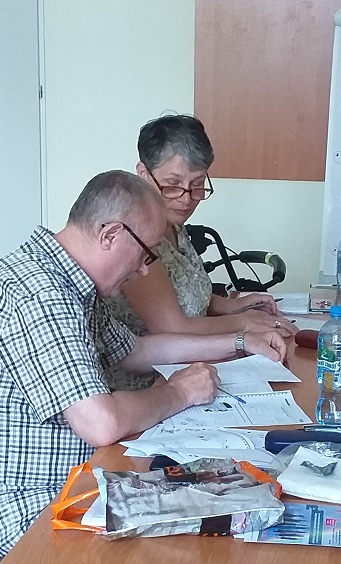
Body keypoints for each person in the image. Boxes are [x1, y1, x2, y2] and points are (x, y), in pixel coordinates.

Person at [0, 170, 289, 556]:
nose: (145, 270)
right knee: (200, 546)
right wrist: (180, 393)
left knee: (223, 493)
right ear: (111, 235)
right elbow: (101, 424)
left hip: (67, 480)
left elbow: (137, 351)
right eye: (146, 254)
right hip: (14, 506)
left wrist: (237, 342)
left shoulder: (70, 281)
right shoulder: (39, 295)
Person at [104, 114, 296, 390]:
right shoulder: (136, 236)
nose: (186, 198)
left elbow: (185, 292)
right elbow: (173, 326)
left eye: (197, 185)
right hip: (149, 383)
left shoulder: (173, 223)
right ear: (143, 174)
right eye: (173, 185)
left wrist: (232, 305)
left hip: (191, 364)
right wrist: (244, 324)